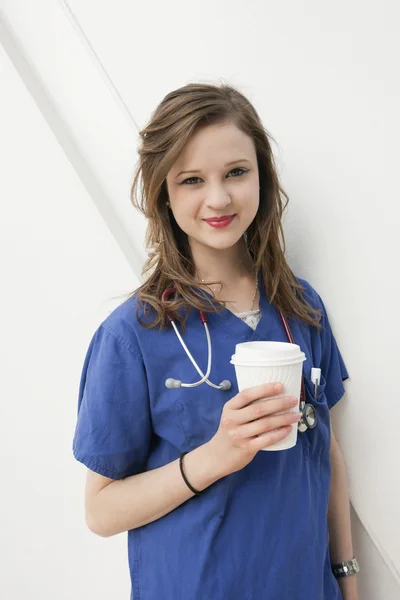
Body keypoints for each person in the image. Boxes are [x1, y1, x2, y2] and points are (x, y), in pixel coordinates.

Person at [72, 82, 359, 600]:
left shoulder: (301, 308)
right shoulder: (132, 335)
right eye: (191, 180)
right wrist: (214, 457)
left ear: (262, 178)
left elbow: (328, 453)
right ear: (163, 192)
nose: (219, 198)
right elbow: (100, 511)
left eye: (236, 172)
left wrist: (348, 580)